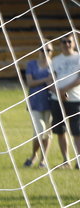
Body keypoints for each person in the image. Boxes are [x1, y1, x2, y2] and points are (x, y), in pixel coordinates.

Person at [50, 33, 80, 169]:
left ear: (74, 43)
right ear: (60, 44)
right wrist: (57, 92)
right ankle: (66, 161)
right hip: (57, 100)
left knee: (77, 131)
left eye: (69, 41)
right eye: (64, 42)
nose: (67, 44)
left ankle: (79, 161)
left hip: (75, 99)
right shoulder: (55, 60)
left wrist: (64, 90)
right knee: (60, 131)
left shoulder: (79, 58)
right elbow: (50, 79)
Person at [22, 42, 54, 168]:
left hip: (50, 102)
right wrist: (46, 80)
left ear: (52, 52)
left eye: (48, 50)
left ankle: (43, 159)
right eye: (42, 49)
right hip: (34, 102)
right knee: (39, 131)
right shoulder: (31, 64)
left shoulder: (54, 65)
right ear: (38, 51)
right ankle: (34, 155)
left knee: (47, 132)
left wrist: (42, 82)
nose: (45, 52)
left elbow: (53, 82)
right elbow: (30, 82)